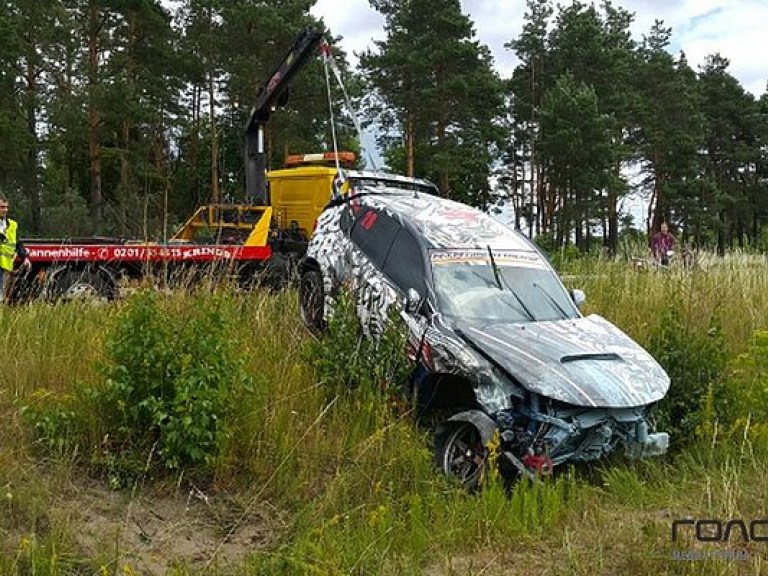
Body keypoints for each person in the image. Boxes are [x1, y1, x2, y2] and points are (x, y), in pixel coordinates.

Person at [0, 195, 31, 301]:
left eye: (6, 207)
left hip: (5, 266)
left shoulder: (12, 225)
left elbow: (18, 243)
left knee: (2, 297)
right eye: (2, 207)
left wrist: (25, 258)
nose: (5, 210)